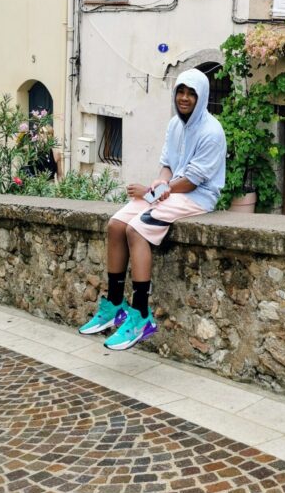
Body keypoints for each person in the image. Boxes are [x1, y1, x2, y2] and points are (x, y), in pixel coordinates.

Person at [78, 68, 226, 350]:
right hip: (170, 191)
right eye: (180, 92)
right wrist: (159, 184)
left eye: (190, 94)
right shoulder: (175, 125)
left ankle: (142, 314)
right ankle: (114, 305)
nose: (184, 98)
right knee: (116, 224)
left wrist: (153, 193)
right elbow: (168, 165)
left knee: (137, 228)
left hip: (198, 197)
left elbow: (193, 181)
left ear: (201, 98)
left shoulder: (212, 132)